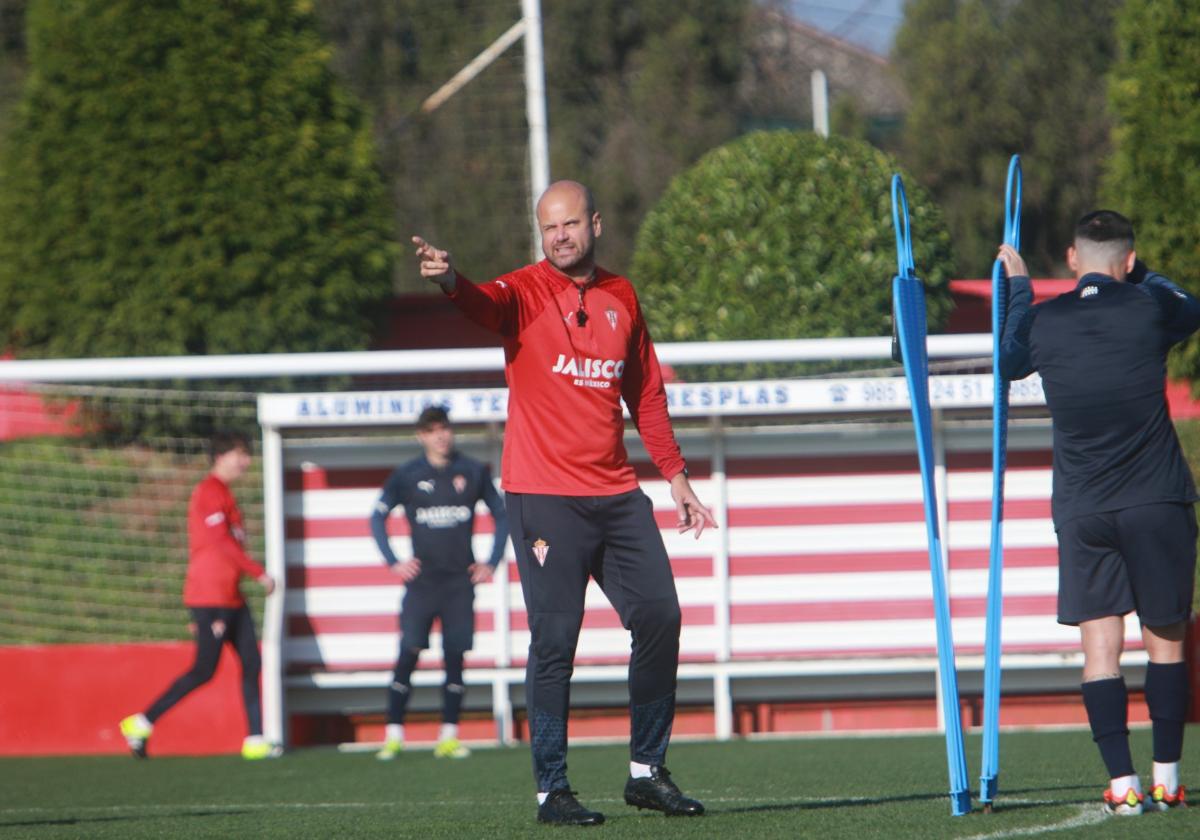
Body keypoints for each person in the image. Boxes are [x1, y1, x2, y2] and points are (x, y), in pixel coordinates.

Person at [412, 180, 717, 826]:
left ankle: (646, 772)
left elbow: (647, 394)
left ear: (596, 225)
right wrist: (450, 280)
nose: (560, 236)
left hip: (616, 492)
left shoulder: (622, 296)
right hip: (544, 496)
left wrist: (677, 476)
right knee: (556, 638)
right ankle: (552, 789)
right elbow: (481, 303)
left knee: (661, 615)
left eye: (571, 224)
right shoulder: (521, 292)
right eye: (549, 227)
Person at [998, 210, 1200, 816]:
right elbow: (1186, 303)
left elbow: (1008, 361)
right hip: (1157, 498)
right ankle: (1167, 778)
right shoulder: (1149, 305)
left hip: (1084, 507)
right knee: (1166, 643)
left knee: (1100, 652)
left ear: (1071, 258)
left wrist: (1018, 288)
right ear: (1129, 262)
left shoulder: (1044, 320)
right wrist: (1143, 277)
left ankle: (1122, 786)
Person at [119, 431, 278, 760]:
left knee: (252, 662)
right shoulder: (208, 491)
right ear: (221, 456)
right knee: (204, 669)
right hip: (209, 598)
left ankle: (255, 740)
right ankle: (142, 721)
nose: (245, 461)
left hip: (232, 596)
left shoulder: (225, 494)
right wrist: (257, 571)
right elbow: (221, 542)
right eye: (240, 453)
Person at [370, 405, 508, 761]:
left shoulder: (472, 471)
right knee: (410, 650)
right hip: (423, 583)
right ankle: (394, 734)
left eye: (445, 429)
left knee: (455, 654)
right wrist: (393, 561)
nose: (441, 436)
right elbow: (377, 517)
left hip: (459, 583)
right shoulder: (407, 474)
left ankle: (449, 735)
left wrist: (490, 562)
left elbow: (502, 514)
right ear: (421, 436)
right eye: (433, 431)